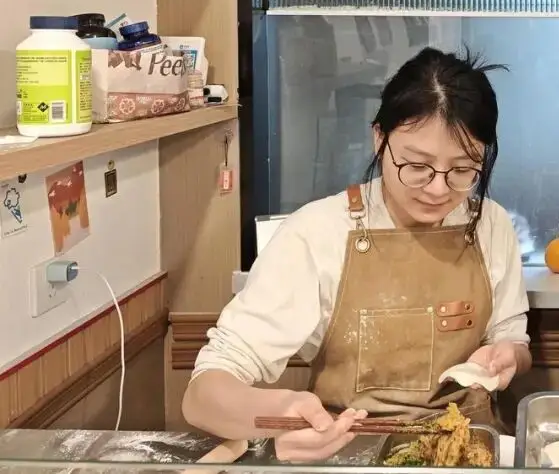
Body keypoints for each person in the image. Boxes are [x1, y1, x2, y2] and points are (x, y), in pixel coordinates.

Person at [183, 47, 531, 462]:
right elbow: (203, 395)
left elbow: (511, 337)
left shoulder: (490, 224)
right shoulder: (317, 232)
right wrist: (278, 412)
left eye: (462, 170)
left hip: (467, 453)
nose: (438, 189)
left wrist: (509, 354)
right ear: (379, 138)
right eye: (417, 165)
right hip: (346, 455)